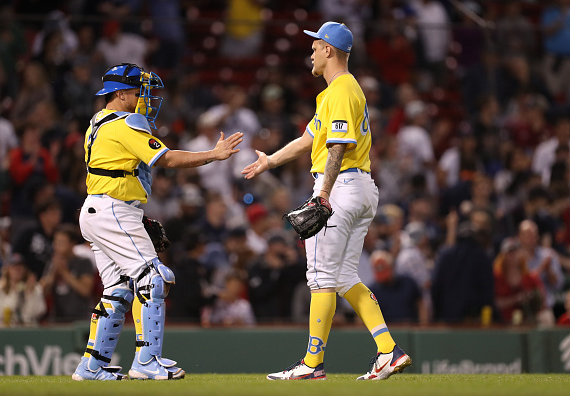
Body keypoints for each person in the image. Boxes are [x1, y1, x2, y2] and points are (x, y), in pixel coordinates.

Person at [242, 22, 411, 381]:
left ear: (330, 50)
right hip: (360, 188)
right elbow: (309, 139)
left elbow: (337, 147)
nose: (312, 52)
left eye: (316, 46)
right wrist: (270, 160)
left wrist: (322, 194)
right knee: (345, 276)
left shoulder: (341, 91)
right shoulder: (340, 91)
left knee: (320, 278)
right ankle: (388, 351)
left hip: (340, 186)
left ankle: (312, 363)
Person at [73, 63, 243, 381]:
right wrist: (214, 154)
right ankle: (147, 361)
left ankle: (92, 366)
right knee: (153, 279)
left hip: (98, 210)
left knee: (119, 292)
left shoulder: (98, 122)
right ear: (120, 93)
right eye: (139, 92)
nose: (145, 99)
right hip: (113, 210)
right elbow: (168, 159)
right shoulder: (124, 125)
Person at [0, 253, 46, 328]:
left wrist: (29, 293)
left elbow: (38, 312)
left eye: (20, 267)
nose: (17, 270)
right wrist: (13, 292)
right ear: (8, 269)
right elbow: (0, 314)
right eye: (14, 267)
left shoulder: (35, 288)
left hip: (29, 330)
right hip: (5, 330)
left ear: (25, 269)